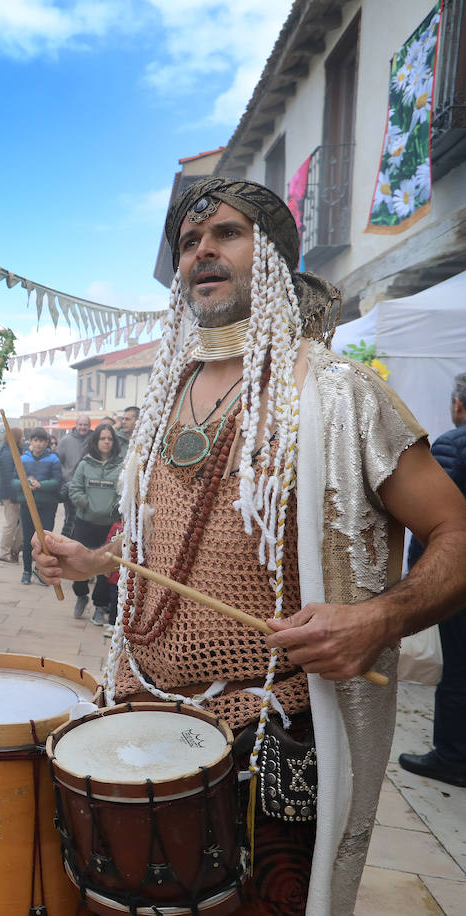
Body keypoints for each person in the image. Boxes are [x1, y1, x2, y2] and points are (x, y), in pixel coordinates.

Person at [33, 177, 466, 914]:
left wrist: (379, 619)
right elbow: (160, 539)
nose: (201, 251)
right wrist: (94, 562)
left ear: (273, 256)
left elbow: (456, 530)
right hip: (137, 703)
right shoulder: (167, 396)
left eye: (226, 234)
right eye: (188, 244)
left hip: (268, 728)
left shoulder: (338, 394)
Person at [399, 372, 466, 787]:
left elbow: (436, 531)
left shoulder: (451, 447)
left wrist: (417, 587)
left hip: (458, 589)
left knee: (458, 670)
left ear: (459, 405)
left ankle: (452, 756)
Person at [67, 422, 122, 625]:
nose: (106, 442)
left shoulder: (121, 466)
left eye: (109, 438)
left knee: (104, 568)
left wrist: (114, 507)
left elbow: (124, 492)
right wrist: (87, 504)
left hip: (109, 526)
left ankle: (99, 606)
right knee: (80, 565)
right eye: (102, 438)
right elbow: (75, 490)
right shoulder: (85, 464)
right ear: (96, 441)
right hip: (85, 522)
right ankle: (81, 595)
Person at [3, 427, 61, 586]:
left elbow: (57, 482)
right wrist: (26, 483)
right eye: (35, 440)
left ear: (47, 442)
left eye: (42, 441)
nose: (38, 444)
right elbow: (14, 481)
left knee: (45, 541)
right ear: (31, 441)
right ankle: (26, 571)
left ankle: (42, 572)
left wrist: (41, 484)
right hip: (27, 505)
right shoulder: (22, 459)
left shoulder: (54, 459)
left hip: (48, 505)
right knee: (28, 539)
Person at [54, 419, 91, 538]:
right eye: (80, 424)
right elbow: (58, 461)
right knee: (70, 516)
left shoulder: (93, 439)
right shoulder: (66, 440)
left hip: (87, 486)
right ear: (76, 425)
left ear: (89, 426)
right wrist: (66, 476)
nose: (83, 427)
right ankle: (66, 541)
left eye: (85, 425)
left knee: (83, 518)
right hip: (69, 484)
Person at [0, 428, 23, 563]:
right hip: (11, 494)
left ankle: (14, 549)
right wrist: (14, 498)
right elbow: (8, 477)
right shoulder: (8, 452)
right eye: (21, 436)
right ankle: (5, 552)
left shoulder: (12, 449)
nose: (23, 439)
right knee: (11, 523)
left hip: (13, 493)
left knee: (17, 523)